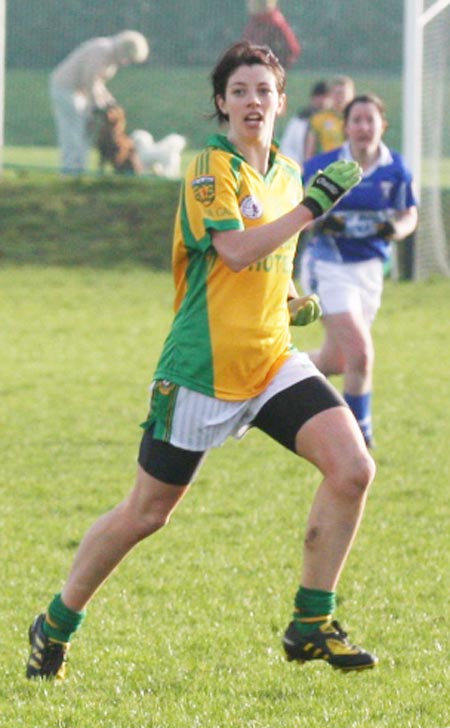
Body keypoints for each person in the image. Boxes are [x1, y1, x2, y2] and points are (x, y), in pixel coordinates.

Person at [26, 41, 378, 682]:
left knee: (353, 468)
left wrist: (293, 299)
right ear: (222, 102)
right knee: (146, 514)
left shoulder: (289, 172)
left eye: (263, 91)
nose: (251, 102)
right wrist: (310, 209)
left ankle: (311, 621)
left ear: (279, 101)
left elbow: (268, 265)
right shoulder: (208, 170)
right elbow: (237, 251)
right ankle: (56, 621)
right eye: (238, 91)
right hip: (200, 371)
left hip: (271, 360)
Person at [300, 93, 418, 448]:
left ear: (383, 124)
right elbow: (296, 213)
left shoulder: (395, 168)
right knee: (361, 354)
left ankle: (269, 372)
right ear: (346, 126)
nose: (364, 127)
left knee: (335, 360)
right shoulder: (323, 166)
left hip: (369, 271)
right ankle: (357, 438)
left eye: (371, 120)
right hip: (327, 266)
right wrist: (318, 222)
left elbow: (409, 214)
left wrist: (394, 230)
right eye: (357, 120)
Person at [49, 31, 149, 174]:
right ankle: (71, 172)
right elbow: (89, 80)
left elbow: (98, 84)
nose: (126, 62)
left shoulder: (110, 57)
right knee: (74, 133)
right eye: (129, 58)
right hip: (66, 90)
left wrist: (110, 101)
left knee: (83, 133)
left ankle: (78, 170)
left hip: (79, 94)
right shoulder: (102, 50)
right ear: (124, 49)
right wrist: (98, 105)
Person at [280, 80, 331, 166]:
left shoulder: (335, 121)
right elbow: (287, 146)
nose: (322, 101)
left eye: (326, 97)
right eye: (319, 97)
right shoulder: (300, 120)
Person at [303, 75, 354, 161]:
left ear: (352, 95)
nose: (340, 97)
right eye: (337, 93)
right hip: (327, 168)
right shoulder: (318, 119)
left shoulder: (358, 120)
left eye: (343, 93)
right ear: (331, 95)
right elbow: (309, 152)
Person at [243, 0, 301, 68]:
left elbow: (292, 49)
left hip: (266, 69)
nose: (249, 4)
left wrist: (275, 66)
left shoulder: (275, 23)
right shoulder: (255, 22)